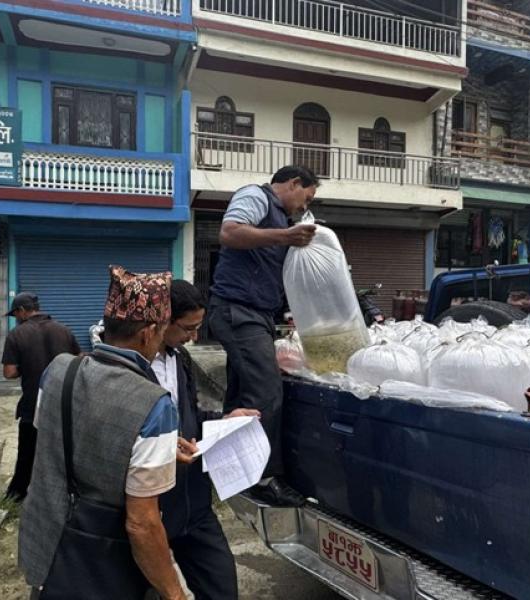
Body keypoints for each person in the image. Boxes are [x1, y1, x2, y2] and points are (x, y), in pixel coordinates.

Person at [19, 267, 187, 600]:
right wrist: (175, 594)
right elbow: (141, 524)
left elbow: (52, 434)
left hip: (45, 549)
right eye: (163, 330)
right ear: (148, 332)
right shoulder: (155, 405)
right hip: (102, 567)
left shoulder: (58, 371)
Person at [207, 165, 319, 507]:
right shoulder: (255, 196)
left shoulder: (282, 221)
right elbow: (230, 233)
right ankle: (265, 478)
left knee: (242, 395)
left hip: (255, 314)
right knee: (266, 391)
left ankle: (228, 469)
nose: (304, 206)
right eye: (307, 197)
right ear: (294, 183)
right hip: (237, 311)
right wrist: (286, 236)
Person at [153, 280, 258, 600]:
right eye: (188, 328)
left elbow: (191, 420)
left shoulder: (180, 359)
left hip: (193, 504)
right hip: (151, 506)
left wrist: (224, 421)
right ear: (162, 320)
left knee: (221, 586)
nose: (194, 337)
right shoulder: (128, 367)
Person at [1, 292, 80, 502]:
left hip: (32, 405)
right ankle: (64, 492)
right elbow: (78, 360)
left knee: (28, 452)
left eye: (15, 313)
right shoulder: (63, 330)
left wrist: (26, 369)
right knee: (63, 450)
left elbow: (9, 372)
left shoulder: (16, 335)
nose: (15, 318)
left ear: (22, 311)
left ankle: (19, 493)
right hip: (63, 403)